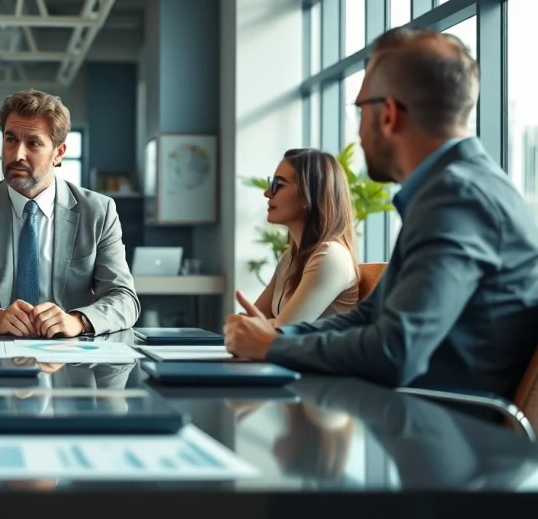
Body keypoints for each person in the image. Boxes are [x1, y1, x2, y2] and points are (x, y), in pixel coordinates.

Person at [225, 27, 538, 400]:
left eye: (359, 110)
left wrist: (272, 348)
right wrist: (276, 337)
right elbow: (368, 317)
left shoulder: (457, 197)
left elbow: (395, 351)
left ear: (388, 114)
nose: (356, 130)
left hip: (451, 437)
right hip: (426, 421)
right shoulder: (452, 189)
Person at [0, 89, 139, 337]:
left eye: (33, 143)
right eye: (10, 140)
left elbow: (124, 298)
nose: (17, 155)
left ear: (58, 153)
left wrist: (79, 321)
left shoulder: (98, 212)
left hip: (73, 361)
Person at [250, 148, 359, 327]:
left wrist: (253, 327)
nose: (267, 193)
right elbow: (252, 321)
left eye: (279, 184)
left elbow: (280, 333)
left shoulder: (330, 257)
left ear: (309, 195)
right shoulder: (290, 258)